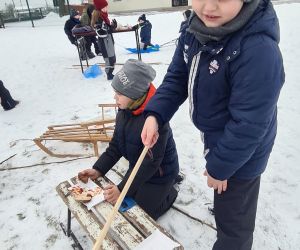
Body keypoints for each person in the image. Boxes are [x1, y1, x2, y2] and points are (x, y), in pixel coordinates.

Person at [141, 0, 285, 249]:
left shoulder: (258, 49)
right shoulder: (194, 29)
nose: (209, 6)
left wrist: (221, 167)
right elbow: (177, 77)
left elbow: (249, 123)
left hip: (245, 152)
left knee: (234, 224)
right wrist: (155, 114)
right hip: (220, 140)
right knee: (224, 199)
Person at [78, 59, 179, 220]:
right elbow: (115, 146)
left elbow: (149, 164)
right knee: (129, 200)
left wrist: (122, 189)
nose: (114, 97)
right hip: (138, 166)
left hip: (159, 174)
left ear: (134, 94)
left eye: (119, 94)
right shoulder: (125, 110)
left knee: (144, 214)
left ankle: (170, 191)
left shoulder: (156, 121)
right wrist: (99, 169)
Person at [91, 0, 117, 80]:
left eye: (106, 6)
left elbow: (107, 28)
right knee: (109, 58)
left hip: (108, 41)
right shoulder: (98, 18)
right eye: (104, 7)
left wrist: (113, 26)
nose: (106, 8)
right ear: (99, 8)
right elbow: (100, 32)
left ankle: (111, 72)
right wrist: (108, 29)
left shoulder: (104, 16)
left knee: (112, 57)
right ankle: (109, 74)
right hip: (105, 42)